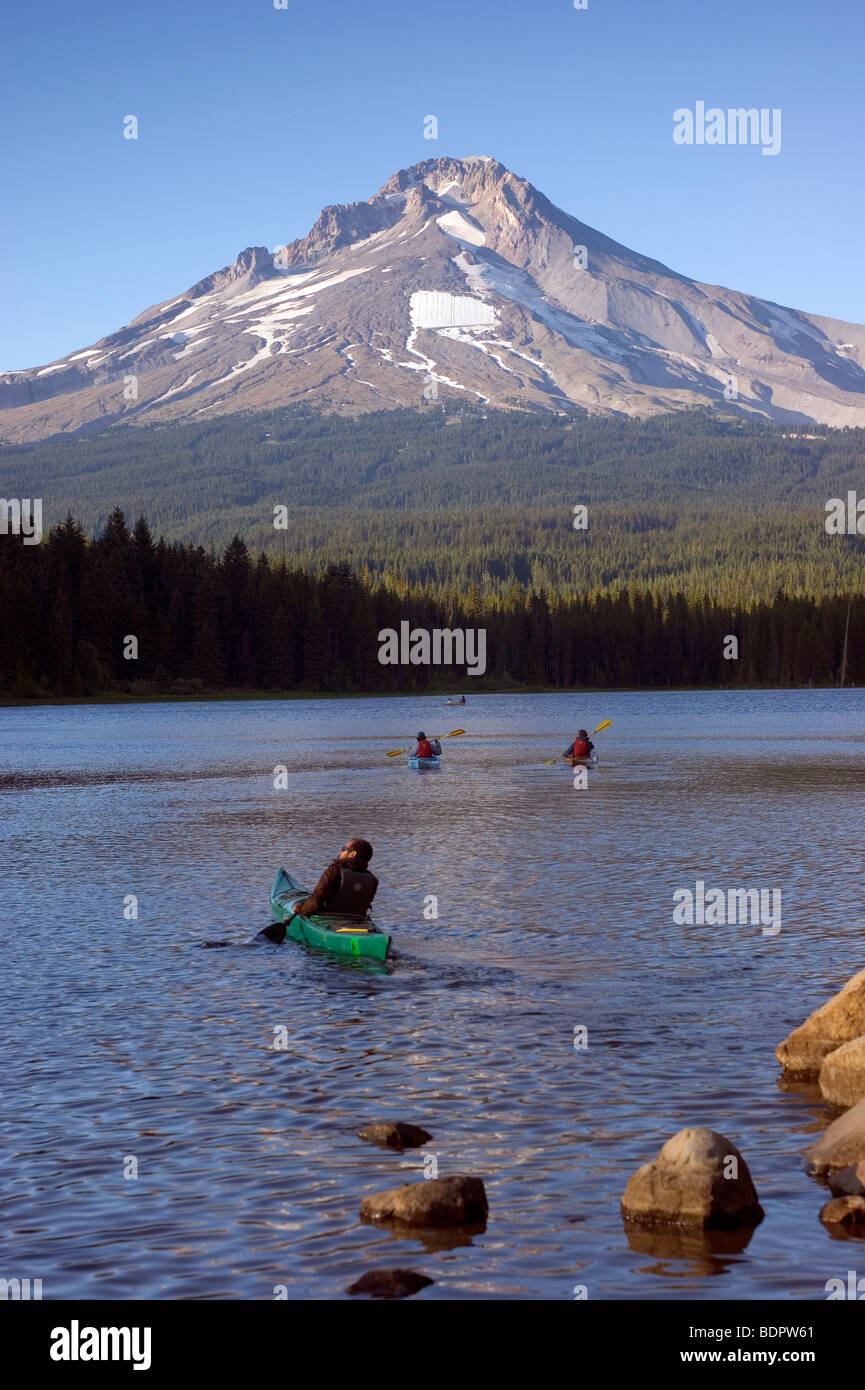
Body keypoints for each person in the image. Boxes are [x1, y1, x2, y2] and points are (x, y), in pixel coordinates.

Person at [293, 838, 378, 918]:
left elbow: (315, 902)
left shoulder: (334, 871)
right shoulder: (372, 879)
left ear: (353, 854)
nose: (340, 852)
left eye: (344, 849)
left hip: (329, 917)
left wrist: (300, 909)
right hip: (357, 919)